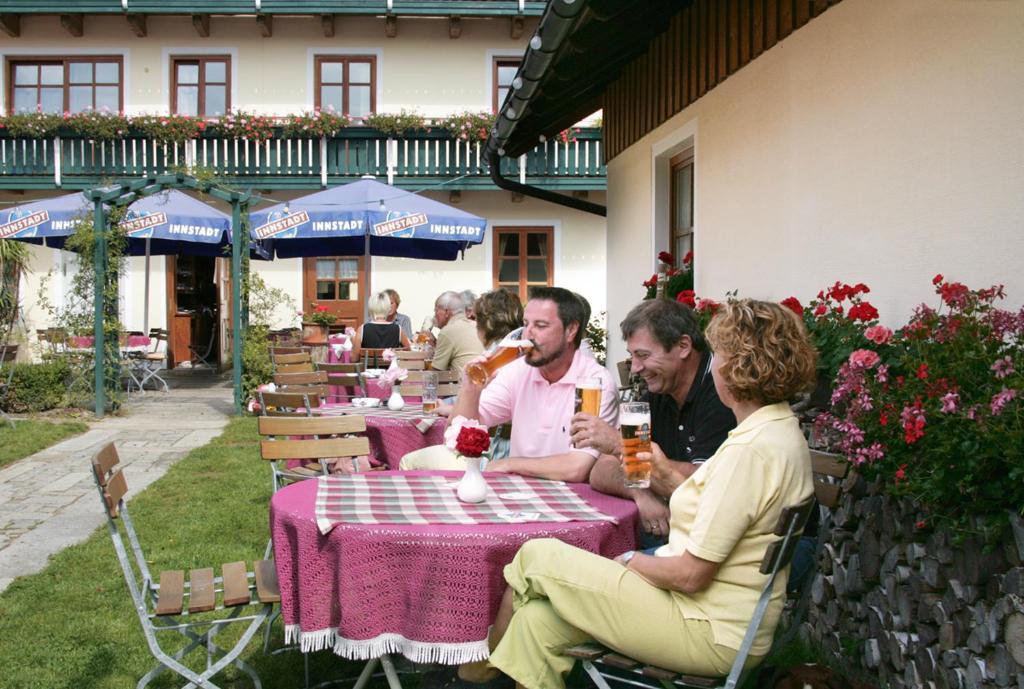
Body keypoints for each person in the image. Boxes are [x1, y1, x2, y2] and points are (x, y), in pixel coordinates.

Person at [468, 299, 817, 688]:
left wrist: (627, 560)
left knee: (535, 554)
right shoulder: (775, 431)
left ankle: (482, 671)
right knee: (538, 622)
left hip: (708, 630)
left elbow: (688, 575)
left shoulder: (750, 451)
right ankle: (493, 667)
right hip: (711, 614)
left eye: (717, 355)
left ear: (737, 366)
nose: (712, 364)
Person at [572, 299, 735, 546]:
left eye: (643, 355)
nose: (635, 368)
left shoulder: (722, 393)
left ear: (683, 346)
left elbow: (705, 483)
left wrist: (621, 445)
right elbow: (601, 470)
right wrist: (640, 492)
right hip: (685, 533)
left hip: (717, 544)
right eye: (632, 356)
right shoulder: (659, 392)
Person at [453, 286, 619, 482]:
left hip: (574, 501)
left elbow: (576, 467)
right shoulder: (516, 370)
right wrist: (470, 390)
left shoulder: (595, 382)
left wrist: (509, 463)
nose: (527, 335)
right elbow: (460, 431)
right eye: (525, 324)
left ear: (571, 330)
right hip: (518, 496)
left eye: (540, 325)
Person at [398, 289, 526, 470]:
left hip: (494, 454)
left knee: (408, 461)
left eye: (475, 319)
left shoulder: (494, 360)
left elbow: (456, 426)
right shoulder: (522, 354)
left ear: (484, 325)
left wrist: (455, 405)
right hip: (519, 452)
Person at [432, 290, 484, 376]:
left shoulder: (448, 331)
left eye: (436, 310)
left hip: (464, 385)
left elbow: (436, 372)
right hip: (484, 382)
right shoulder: (477, 326)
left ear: (446, 312)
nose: (435, 315)